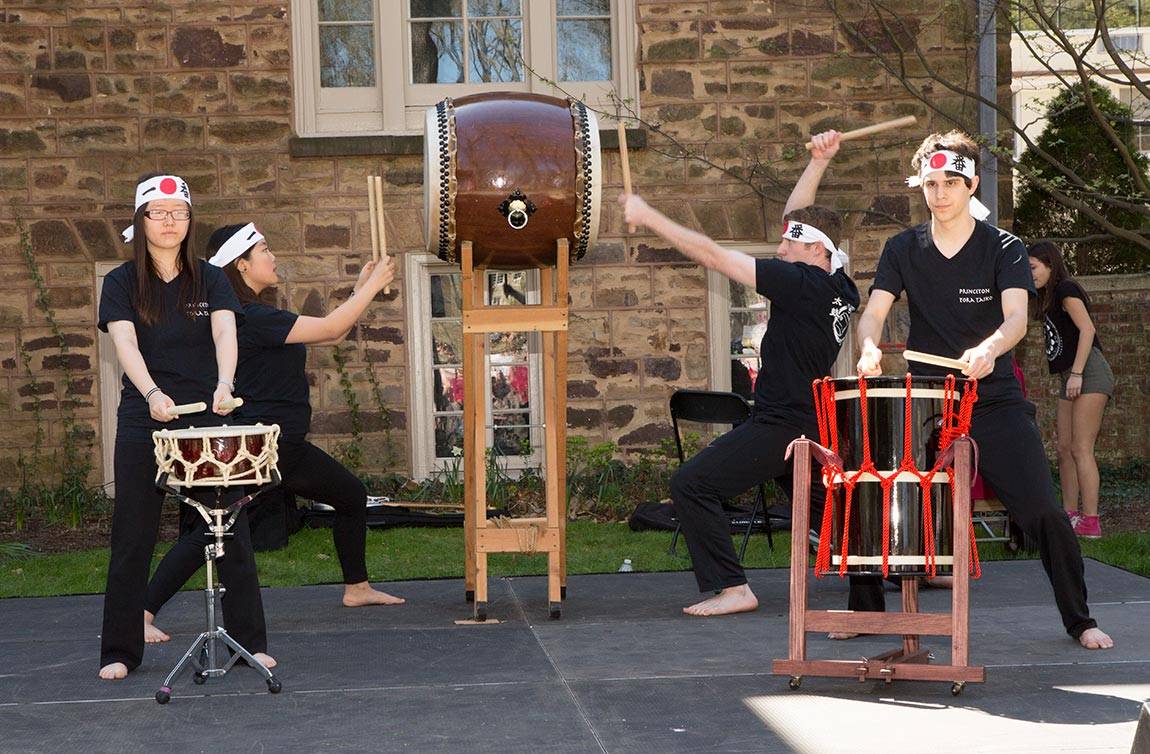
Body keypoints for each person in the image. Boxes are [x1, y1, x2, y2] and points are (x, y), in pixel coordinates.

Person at [854, 130, 1113, 649]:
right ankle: (867, 613)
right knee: (873, 490)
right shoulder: (902, 248)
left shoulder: (1004, 248)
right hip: (926, 395)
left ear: (972, 184)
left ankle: (1080, 620)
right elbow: (876, 311)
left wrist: (990, 348)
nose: (940, 192)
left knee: (1041, 509)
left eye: (951, 181)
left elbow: (1017, 318)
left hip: (990, 395)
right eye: (930, 182)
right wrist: (867, 347)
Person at [620, 131, 880, 616]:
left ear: (815, 251)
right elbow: (799, 219)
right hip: (811, 421)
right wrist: (819, 162)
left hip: (782, 423)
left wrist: (649, 215)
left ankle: (734, 588)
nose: (779, 249)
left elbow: (715, 256)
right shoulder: (840, 284)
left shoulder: (800, 283)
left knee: (692, 484)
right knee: (833, 519)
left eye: (788, 244)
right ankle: (876, 599)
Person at [143, 223, 404, 643]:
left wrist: (360, 289)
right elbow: (331, 330)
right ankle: (142, 611)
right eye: (264, 249)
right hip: (262, 447)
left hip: (283, 445)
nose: (273, 256)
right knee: (214, 529)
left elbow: (328, 326)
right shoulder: (251, 318)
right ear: (241, 265)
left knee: (349, 496)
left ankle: (357, 588)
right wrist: (370, 288)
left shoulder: (254, 315)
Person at [98, 174, 272, 679]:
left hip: (208, 414)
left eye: (179, 212)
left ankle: (249, 643)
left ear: (190, 220)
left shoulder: (211, 278)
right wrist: (152, 394)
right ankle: (119, 651)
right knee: (133, 534)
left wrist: (224, 384)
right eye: (159, 212)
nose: (169, 221)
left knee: (231, 529)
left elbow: (224, 330)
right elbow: (125, 345)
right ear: (141, 220)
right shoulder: (120, 283)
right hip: (145, 416)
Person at [1028, 241, 1114, 538]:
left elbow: (1087, 330)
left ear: (1050, 265)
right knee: (1064, 448)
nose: (1031, 274)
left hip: (1088, 371)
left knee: (1081, 448)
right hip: (1071, 375)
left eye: (1034, 268)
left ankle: (1091, 521)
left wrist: (1077, 373)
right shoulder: (1047, 298)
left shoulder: (1066, 289)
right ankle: (1069, 515)